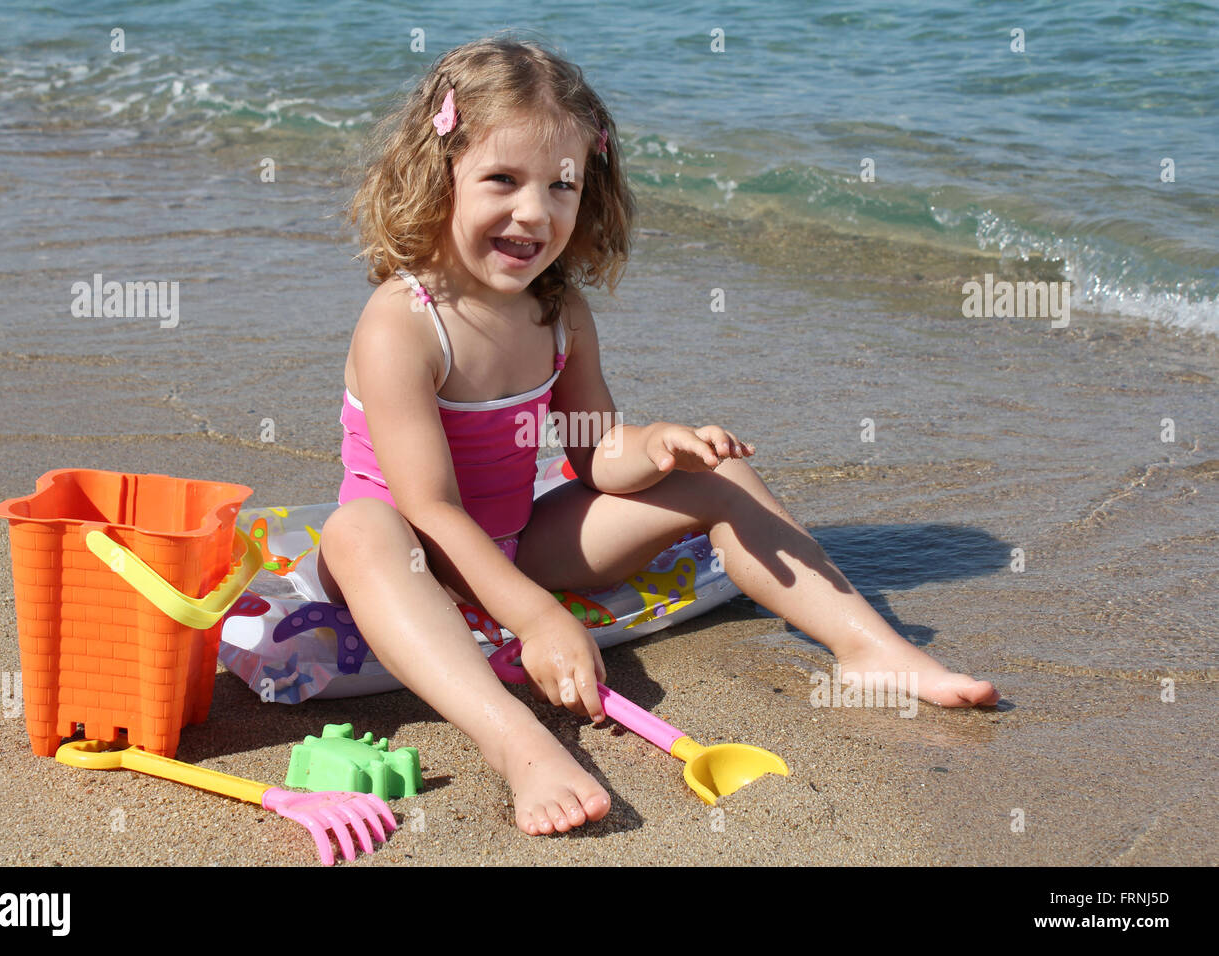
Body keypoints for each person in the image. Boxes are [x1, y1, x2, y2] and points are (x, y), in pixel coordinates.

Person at [317, 35, 999, 836]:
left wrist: (657, 447)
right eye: (503, 179)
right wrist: (538, 620)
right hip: (412, 558)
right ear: (441, 176)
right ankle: (516, 743)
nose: (534, 212)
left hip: (514, 540)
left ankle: (867, 645)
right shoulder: (404, 322)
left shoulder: (558, 311)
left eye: (561, 186)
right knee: (360, 530)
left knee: (717, 478)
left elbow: (592, 450)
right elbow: (429, 510)